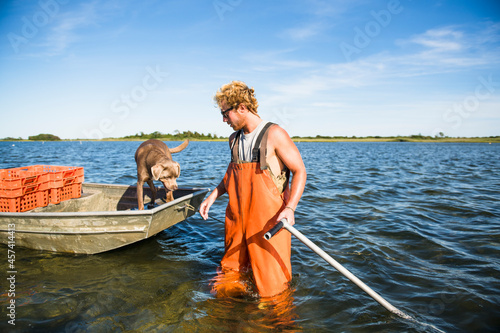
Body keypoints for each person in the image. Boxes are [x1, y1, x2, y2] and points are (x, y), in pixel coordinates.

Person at [199, 80, 307, 298]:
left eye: (225, 113)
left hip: (268, 226)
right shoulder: (233, 140)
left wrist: (291, 208)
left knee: (274, 293)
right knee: (226, 285)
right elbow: (231, 174)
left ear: (242, 108)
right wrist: (213, 196)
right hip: (237, 223)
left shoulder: (274, 133)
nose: (223, 119)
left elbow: (300, 171)